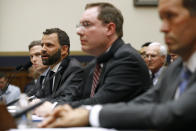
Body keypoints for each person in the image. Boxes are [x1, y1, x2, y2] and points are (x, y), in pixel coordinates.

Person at [39, 0, 196, 130]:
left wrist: (89, 114)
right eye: (162, 18)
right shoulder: (178, 67)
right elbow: (143, 102)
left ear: (110, 28)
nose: (162, 28)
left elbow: (174, 113)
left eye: (171, 16)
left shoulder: (127, 58)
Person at [31, 28, 83, 116]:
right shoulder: (50, 72)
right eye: (42, 45)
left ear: (64, 50)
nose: (42, 50)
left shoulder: (74, 69)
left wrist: (39, 102)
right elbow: (40, 96)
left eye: (49, 45)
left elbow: (67, 100)